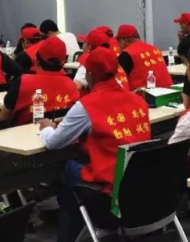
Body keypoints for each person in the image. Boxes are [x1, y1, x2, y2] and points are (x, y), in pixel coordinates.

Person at [37, 47, 151, 242]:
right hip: (138, 185)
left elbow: (53, 143)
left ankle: (67, 230)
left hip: (109, 190)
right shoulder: (138, 101)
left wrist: (46, 127)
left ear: (89, 74)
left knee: (65, 167)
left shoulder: (86, 105)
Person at [0, 37, 77, 125]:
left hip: (25, 132)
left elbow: (3, 119)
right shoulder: (72, 85)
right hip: (58, 132)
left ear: (37, 60)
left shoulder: (22, 83)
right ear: (63, 63)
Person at [115, 24, 172, 90]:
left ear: (122, 41)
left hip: (145, 94)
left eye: (118, 43)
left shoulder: (126, 55)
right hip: (169, 91)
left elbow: (118, 81)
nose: (118, 46)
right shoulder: (155, 49)